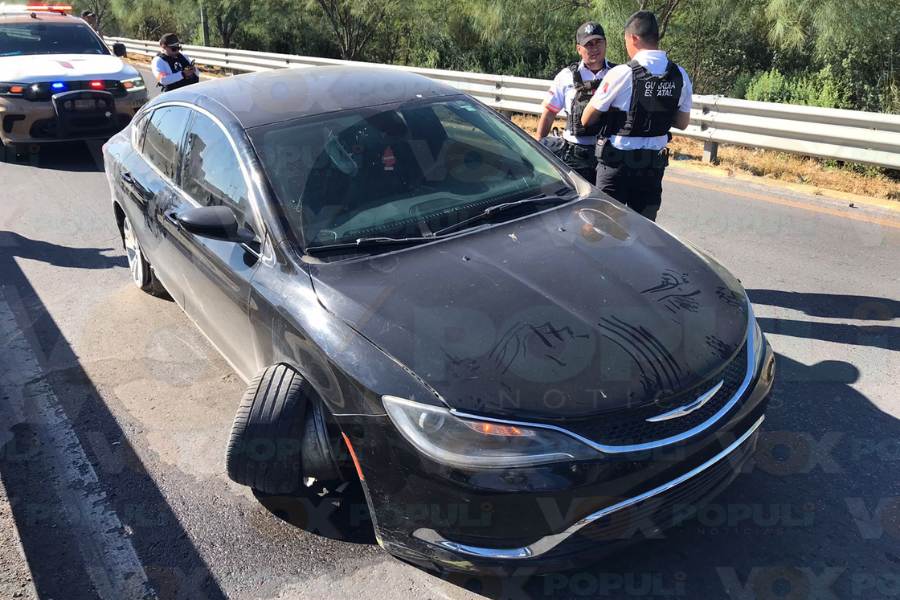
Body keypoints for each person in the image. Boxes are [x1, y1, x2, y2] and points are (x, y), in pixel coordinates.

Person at [581, 11, 692, 221]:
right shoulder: (680, 75)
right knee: (644, 230)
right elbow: (682, 122)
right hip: (651, 170)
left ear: (633, 38)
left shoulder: (621, 73)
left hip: (617, 167)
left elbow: (586, 119)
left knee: (604, 227)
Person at [534, 22, 615, 181]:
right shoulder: (566, 76)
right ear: (579, 49)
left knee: (605, 197)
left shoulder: (618, 74)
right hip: (574, 154)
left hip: (609, 154)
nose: (594, 48)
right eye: (589, 44)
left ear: (605, 43)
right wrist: (537, 145)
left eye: (598, 42)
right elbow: (549, 113)